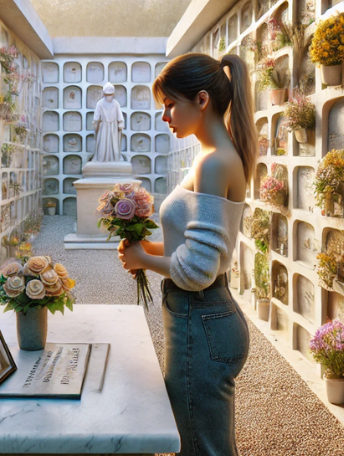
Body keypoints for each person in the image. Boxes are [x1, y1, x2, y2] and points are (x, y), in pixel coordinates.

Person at [118, 53, 256, 456]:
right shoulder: (210, 157)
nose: (165, 116)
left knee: (198, 448)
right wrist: (145, 250)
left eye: (169, 104)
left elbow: (196, 271)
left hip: (201, 318)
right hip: (205, 318)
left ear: (201, 100)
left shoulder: (215, 162)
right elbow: (191, 250)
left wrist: (144, 261)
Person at [92, 82, 124, 162]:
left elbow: (119, 114)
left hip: (113, 125)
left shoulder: (116, 103)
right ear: (104, 94)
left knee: (114, 143)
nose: (109, 97)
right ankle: (101, 158)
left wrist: (120, 123)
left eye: (110, 95)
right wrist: (96, 123)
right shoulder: (100, 103)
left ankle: (114, 158)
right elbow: (96, 116)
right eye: (107, 95)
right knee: (103, 143)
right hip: (103, 126)